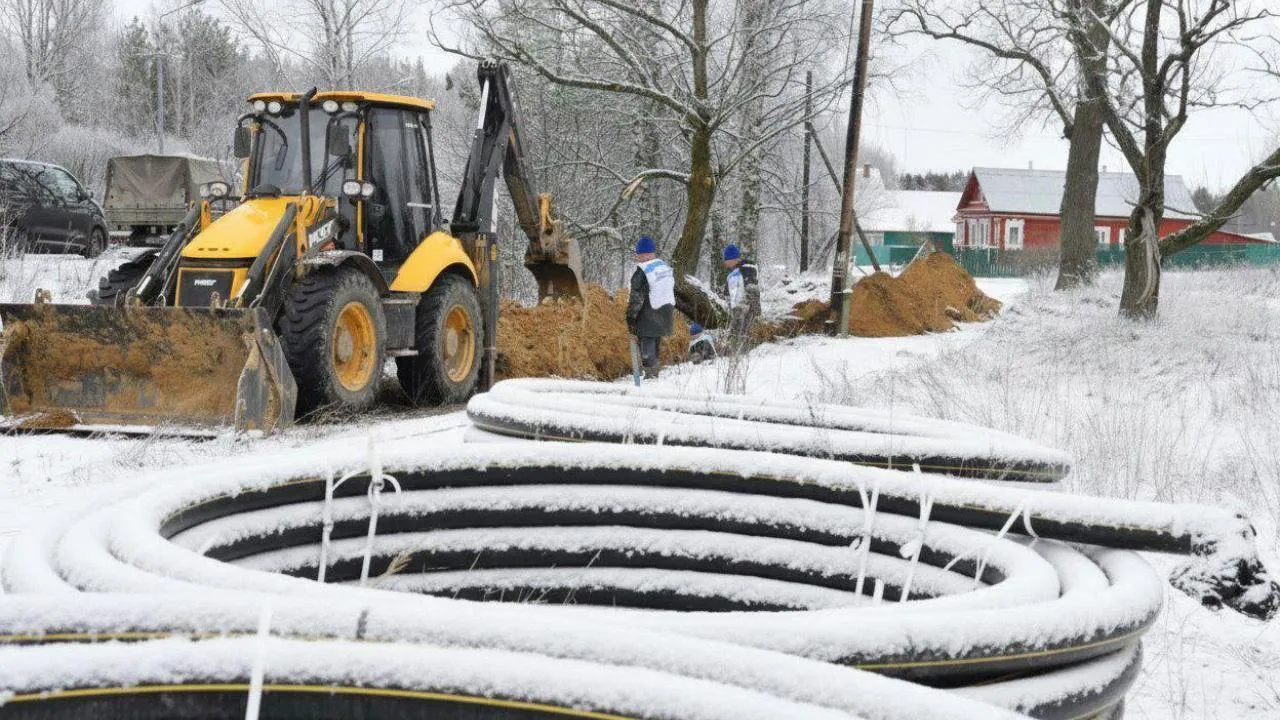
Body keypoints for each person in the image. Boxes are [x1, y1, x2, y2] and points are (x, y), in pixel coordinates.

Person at [625, 235, 675, 379]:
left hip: (648, 315)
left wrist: (630, 320)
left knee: (647, 348)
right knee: (655, 345)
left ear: (643, 254)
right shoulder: (664, 267)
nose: (637, 257)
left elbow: (636, 300)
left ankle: (651, 377)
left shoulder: (642, 271)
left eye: (638, 254)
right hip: (665, 314)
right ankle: (654, 373)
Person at [722, 243, 760, 352]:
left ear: (734, 259)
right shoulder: (734, 273)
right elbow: (727, 293)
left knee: (742, 331)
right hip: (738, 309)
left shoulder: (746, 269)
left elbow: (750, 291)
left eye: (726, 259)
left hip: (745, 309)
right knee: (737, 331)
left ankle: (742, 351)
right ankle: (735, 349)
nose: (725, 262)